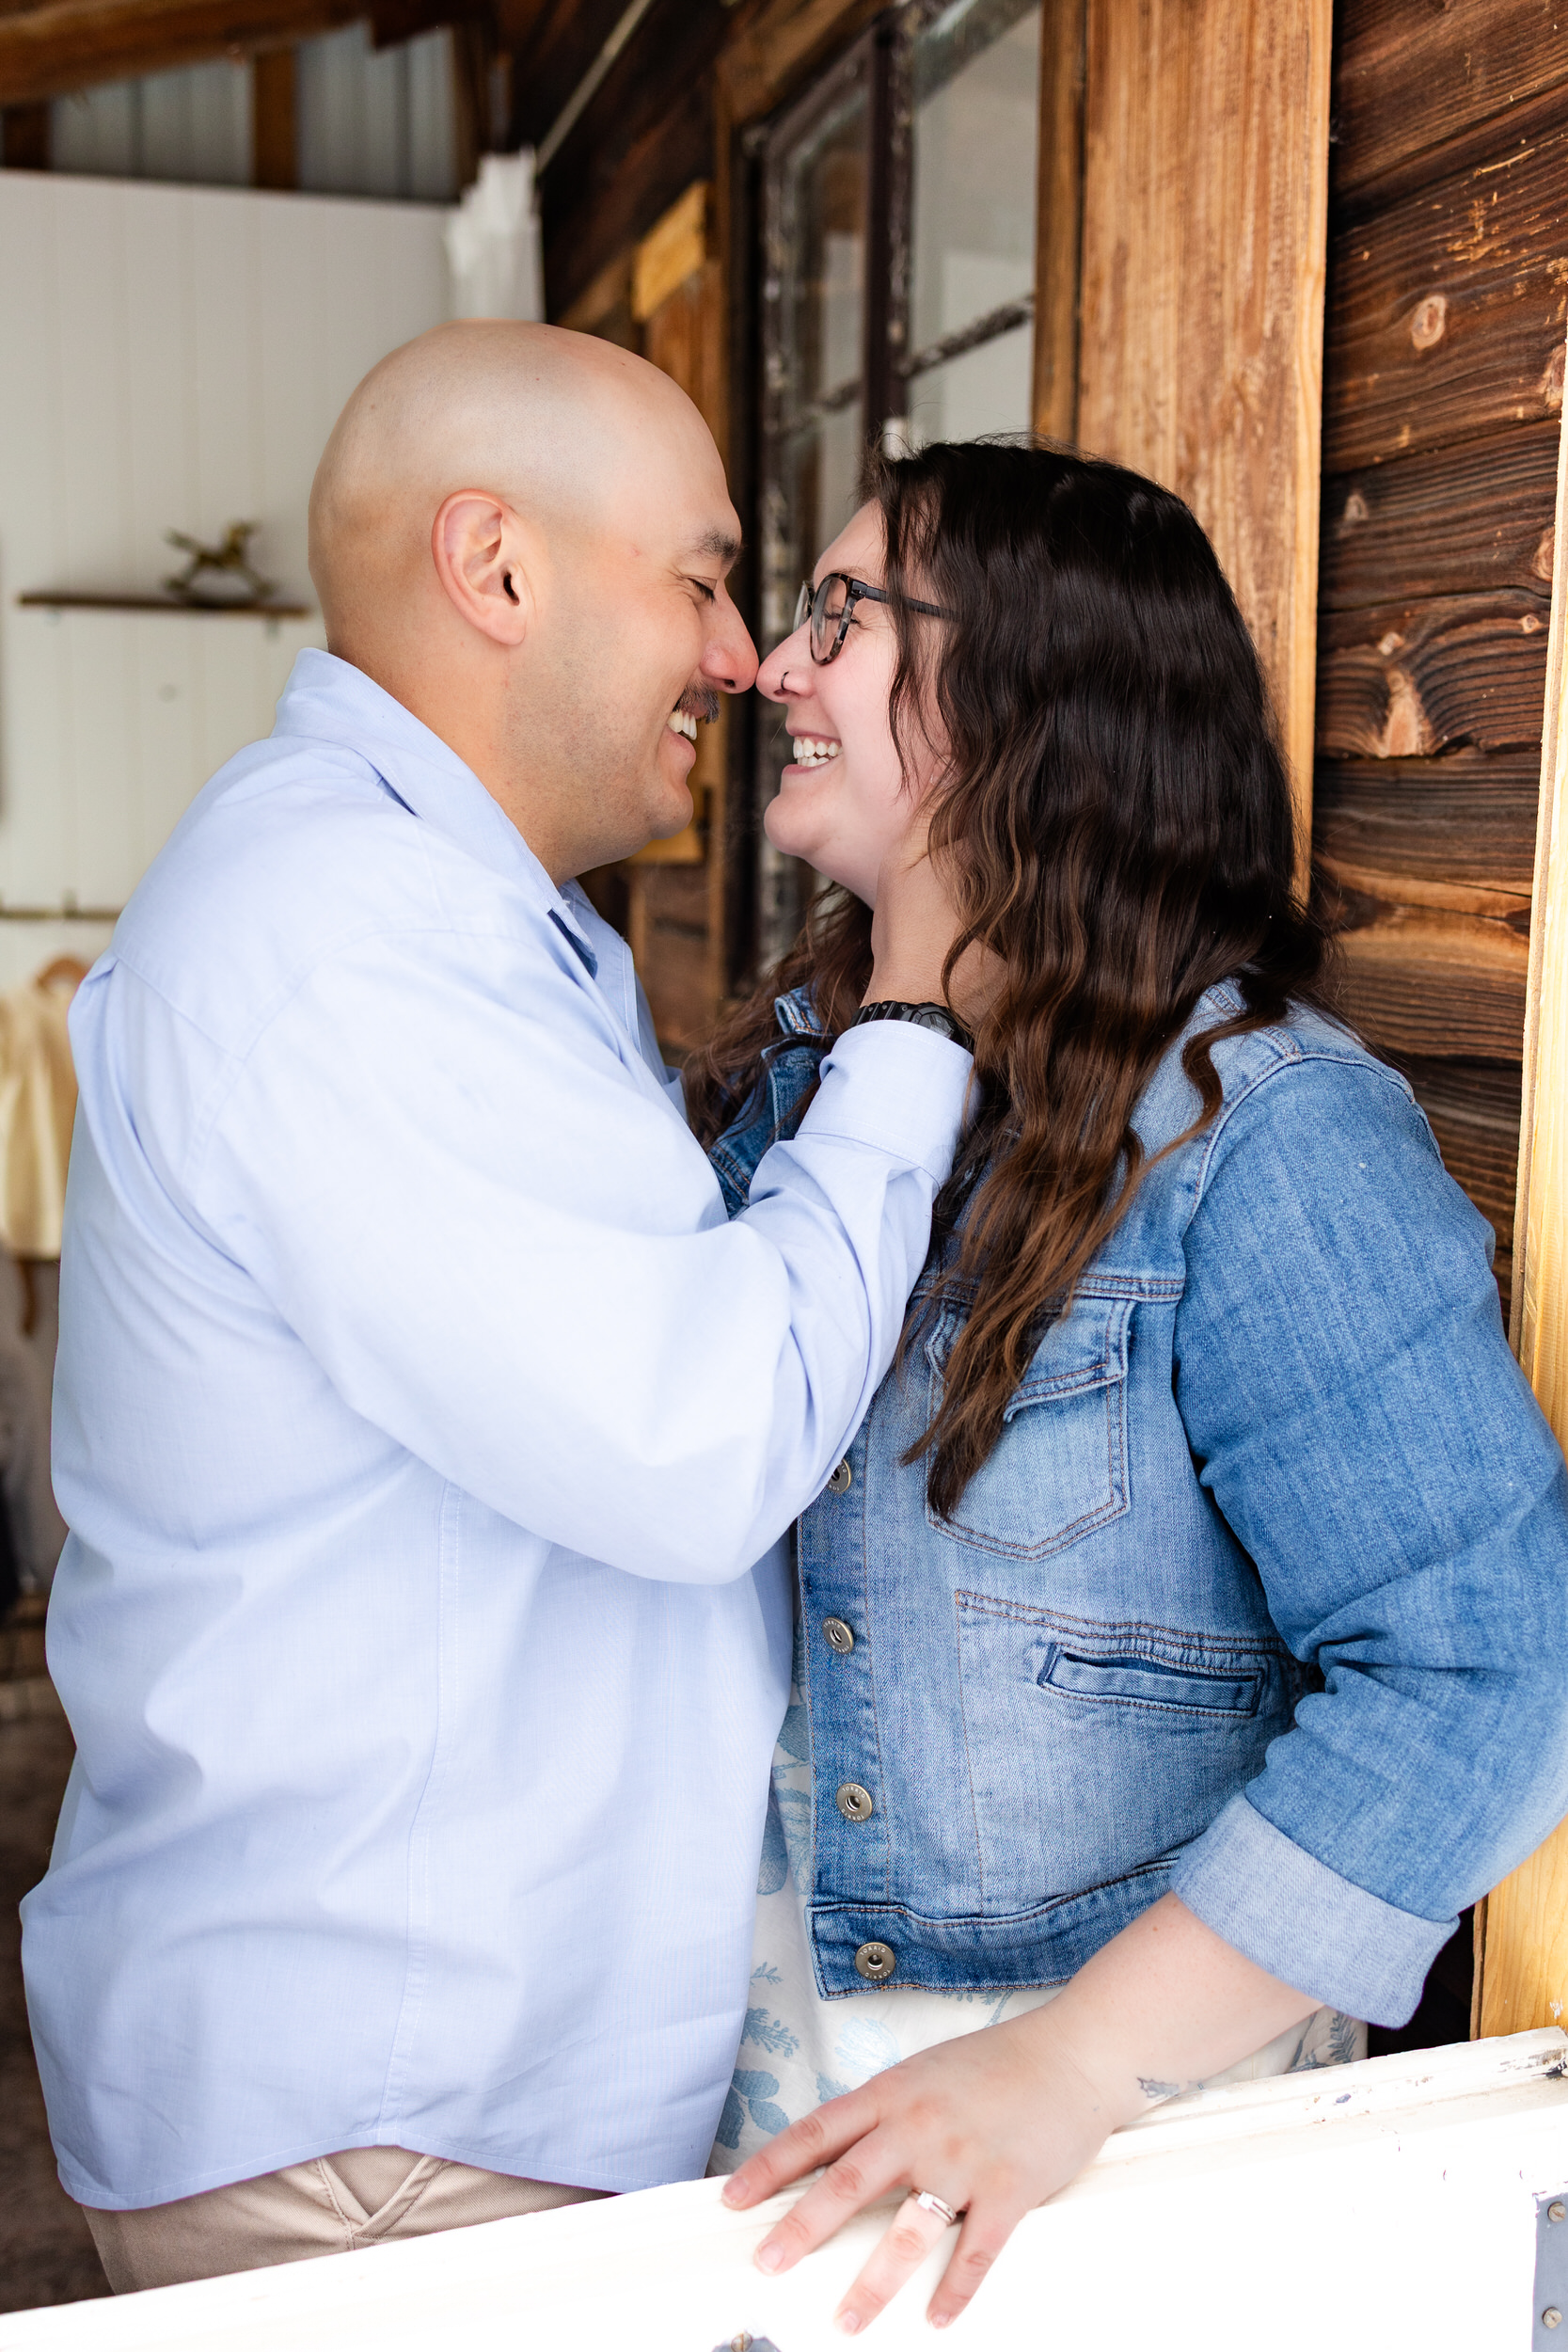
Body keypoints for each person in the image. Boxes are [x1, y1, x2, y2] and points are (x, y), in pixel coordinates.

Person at [20, 324, 981, 2294]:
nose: (739, 654)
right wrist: (916, 1011)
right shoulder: (344, 948)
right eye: (703, 579)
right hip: (387, 2131)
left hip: (419, 2099)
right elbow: (698, 1435)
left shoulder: (444, 917)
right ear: (499, 569)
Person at [689, 439, 1568, 2333]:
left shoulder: (1268, 1142)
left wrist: (1076, 2065)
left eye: (846, 612)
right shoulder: (804, 1094)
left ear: (1029, 689)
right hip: (785, 2161)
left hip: (1125, 2188)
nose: (778, 662)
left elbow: (1485, 1661)